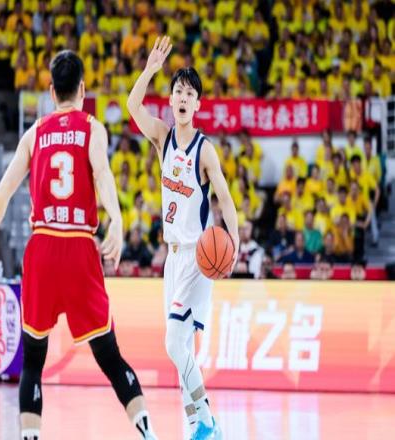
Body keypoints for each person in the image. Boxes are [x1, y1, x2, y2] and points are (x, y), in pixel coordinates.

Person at [0, 50, 157, 440]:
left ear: (51, 91)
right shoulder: (92, 129)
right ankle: (147, 431)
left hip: (42, 246)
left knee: (32, 361)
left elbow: (2, 194)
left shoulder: (34, 133)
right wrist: (117, 220)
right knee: (109, 355)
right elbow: (103, 175)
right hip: (78, 247)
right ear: (83, 90)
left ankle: (30, 436)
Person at [127, 36, 239, 440]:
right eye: (178, 91)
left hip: (199, 256)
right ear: (172, 99)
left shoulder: (205, 151)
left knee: (175, 343)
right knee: (180, 350)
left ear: (198, 104)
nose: (183, 98)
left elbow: (225, 199)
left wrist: (234, 246)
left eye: (190, 93)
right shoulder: (163, 137)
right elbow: (132, 106)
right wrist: (149, 70)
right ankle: (198, 428)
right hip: (172, 259)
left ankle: (206, 418)